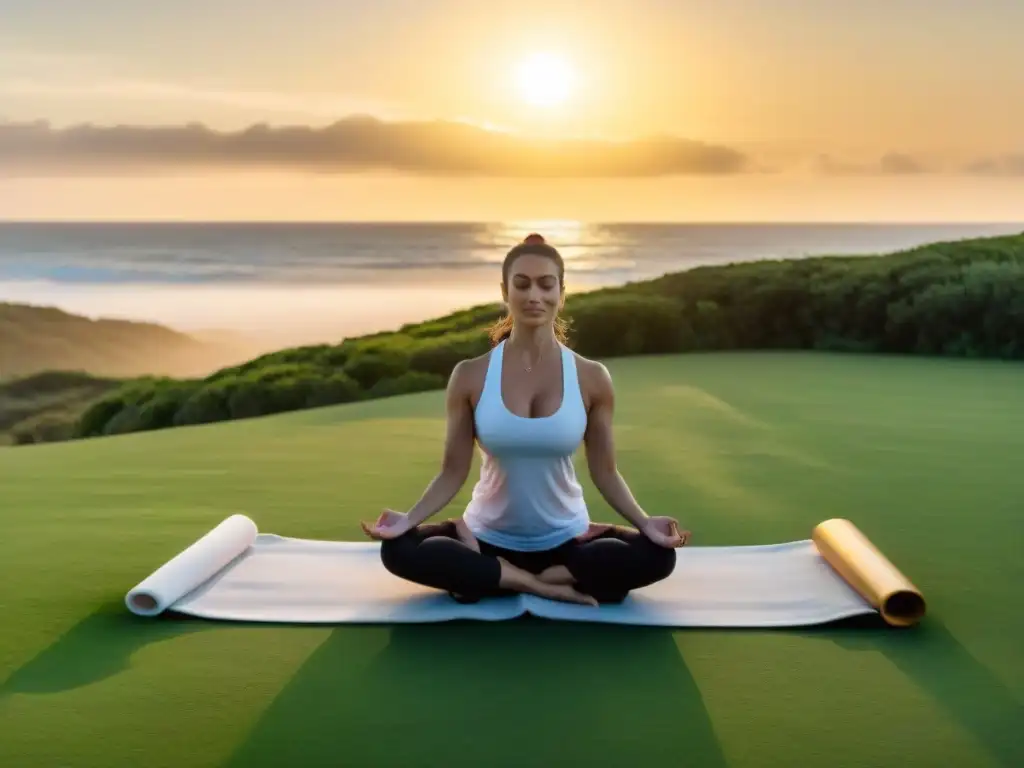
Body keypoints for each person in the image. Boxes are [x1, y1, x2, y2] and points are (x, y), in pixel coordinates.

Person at [361, 233, 689, 606]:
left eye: (546, 285)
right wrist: (408, 520)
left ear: (561, 293)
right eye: (522, 284)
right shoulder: (470, 375)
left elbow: (606, 472)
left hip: (567, 542)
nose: (535, 295)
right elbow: (452, 471)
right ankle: (535, 583)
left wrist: (645, 523)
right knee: (398, 550)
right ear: (505, 291)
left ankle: (497, 579)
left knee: (659, 556)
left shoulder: (592, 377)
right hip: (485, 537)